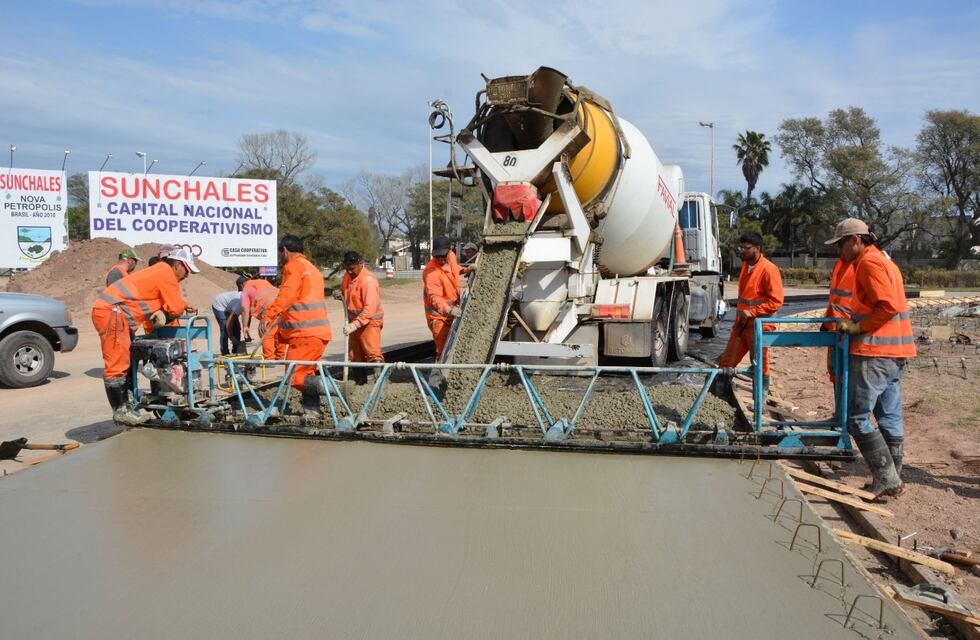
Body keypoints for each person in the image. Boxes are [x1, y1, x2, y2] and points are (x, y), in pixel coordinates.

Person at [825, 218, 915, 500]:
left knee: (856, 418)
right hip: (896, 352)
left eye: (841, 244)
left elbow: (886, 305)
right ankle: (892, 476)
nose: (839, 250)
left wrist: (856, 327)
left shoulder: (868, 263)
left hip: (874, 352)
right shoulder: (884, 260)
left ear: (856, 240)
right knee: (888, 417)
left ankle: (887, 478)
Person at [91, 248, 199, 424]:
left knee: (126, 361)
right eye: (187, 270)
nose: (187, 275)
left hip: (115, 312)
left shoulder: (159, 271)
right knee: (116, 364)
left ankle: (128, 405)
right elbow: (175, 308)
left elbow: (155, 297)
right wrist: (175, 309)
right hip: (113, 312)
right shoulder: (166, 273)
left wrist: (179, 305)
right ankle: (121, 411)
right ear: (178, 265)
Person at [262, 235, 331, 416]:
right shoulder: (312, 268)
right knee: (306, 373)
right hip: (318, 332)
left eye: (280, 253)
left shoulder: (293, 266)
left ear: (285, 250)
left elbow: (287, 295)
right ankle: (312, 410)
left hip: (304, 333)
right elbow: (301, 300)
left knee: (294, 376)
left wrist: (269, 316)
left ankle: (335, 388)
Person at [718, 231, 784, 396]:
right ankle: (719, 398)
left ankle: (759, 402)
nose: (742, 251)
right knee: (727, 362)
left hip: (759, 326)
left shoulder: (769, 269)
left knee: (760, 365)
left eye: (746, 248)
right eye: (741, 247)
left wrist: (753, 312)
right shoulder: (746, 266)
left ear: (757, 249)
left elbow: (776, 301)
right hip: (742, 325)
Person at [340, 251, 384, 382]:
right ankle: (360, 383)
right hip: (355, 321)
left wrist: (355, 325)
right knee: (354, 354)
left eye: (352, 269)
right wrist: (340, 295)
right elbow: (347, 292)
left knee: (372, 352)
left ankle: (379, 382)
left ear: (360, 264)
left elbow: (369, 309)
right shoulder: (348, 276)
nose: (350, 272)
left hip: (370, 322)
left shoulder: (368, 281)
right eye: (347, 269)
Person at [422, 236, 462, 360]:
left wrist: (466, 270)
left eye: (443, 256)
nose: (440, 259)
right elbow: (434, 297)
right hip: (439, 317)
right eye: (437, 256)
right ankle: (438, 378)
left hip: (452, 312)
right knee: (443, 351)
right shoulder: (431, 272)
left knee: (455, 348)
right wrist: (449, 310)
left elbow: (453, 270)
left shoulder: (451, 258)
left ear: (449, 251)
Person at [822, 256, 856, 383]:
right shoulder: (841, 262)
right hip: (837, 326)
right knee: (837, 375)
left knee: (850, 379)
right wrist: (827, 321)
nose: (839, 248)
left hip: (853, 330)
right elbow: (836, 297)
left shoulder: (867, 263)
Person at [239, 275, 284, 360]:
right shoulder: (262, 282)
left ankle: (269, 359)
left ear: (241, 285)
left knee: (265, 332)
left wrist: (245, 326)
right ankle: (280, 356)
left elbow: (245, 310)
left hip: (269, 309)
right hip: (283, 304)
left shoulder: (245, 291)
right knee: (279, 332)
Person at [211, 290, 243, 356]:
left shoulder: (249, 302)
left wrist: (246, 329)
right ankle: (225, 352)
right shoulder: (239, 304)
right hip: (219, 304)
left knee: (237, 328)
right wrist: (231, 337)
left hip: (230, 305)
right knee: (225, 328)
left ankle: (236, 351)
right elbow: (229, 323)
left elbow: (249, 317)